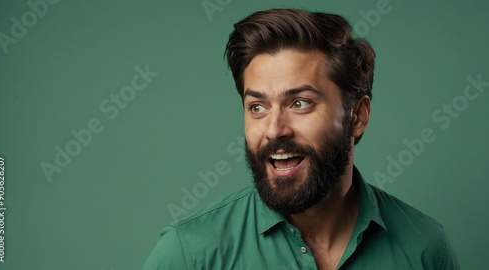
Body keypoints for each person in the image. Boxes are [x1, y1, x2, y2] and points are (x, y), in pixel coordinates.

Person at [143, 8, 459, 270]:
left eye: (300, 103)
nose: (274, 129)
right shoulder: (189, 254)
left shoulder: (426, 249)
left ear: (357, 117)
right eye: (258, 107)